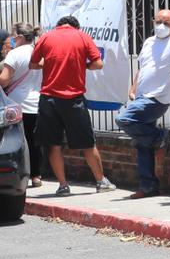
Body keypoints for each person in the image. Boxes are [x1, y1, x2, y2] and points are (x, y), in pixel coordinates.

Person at [30, 16, 114, 195]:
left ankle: (63, 186)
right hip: (74, 98)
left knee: (53, 144)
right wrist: (83, 66)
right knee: (87, 143)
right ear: (75, 26)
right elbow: (98, 64)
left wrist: (50, 63)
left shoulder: (45, 37)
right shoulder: (82, 36)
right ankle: (101, 181)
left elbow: (33, 63)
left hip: (49, 98)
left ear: (59, 25)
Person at [116, 10, 170, 198]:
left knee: (123, 119)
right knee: (142, 143)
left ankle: (160, 135)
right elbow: (143, 68)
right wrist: (134, 88)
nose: (161, 26)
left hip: (158, 97)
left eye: (166, 23)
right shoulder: (149, 42)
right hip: (141, 96)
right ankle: (148, 186)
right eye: (158, 21)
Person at [0, 23, 43, 187]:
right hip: (38, 101)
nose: (10, 39)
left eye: (12, 35)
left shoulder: (14, 54)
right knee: (35, 141)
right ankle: (36, 175)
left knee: (18, 142)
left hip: (17, 103)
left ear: (19, 37)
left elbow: (4, 80)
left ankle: (22, 174)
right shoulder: (38, 52)